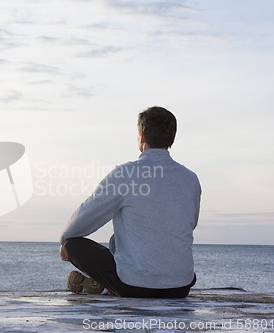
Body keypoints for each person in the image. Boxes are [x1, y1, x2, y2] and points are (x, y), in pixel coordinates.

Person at [59, 106, 201, 298]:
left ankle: (104, 282)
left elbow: (86, 216)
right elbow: (189, 224)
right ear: (171, 139)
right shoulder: (190, 179)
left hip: (134, 286)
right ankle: (106, 282)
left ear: (142, 136)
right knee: (119, 241)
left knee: (73, 244)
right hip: (180, 287)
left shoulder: (125, 174)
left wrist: (64, 243)